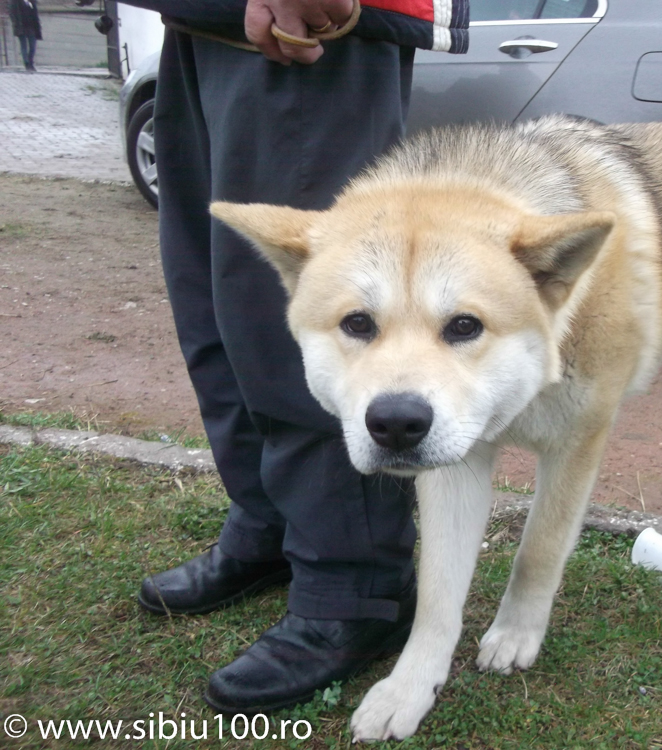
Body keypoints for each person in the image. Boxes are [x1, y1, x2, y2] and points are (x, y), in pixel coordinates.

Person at [122, 0, 468, 714]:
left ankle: (353, 581)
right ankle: (270, 522)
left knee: (319, 334)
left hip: (303, 27)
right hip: (201, 20)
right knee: (223, 306)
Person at [8, 0, 41, 72]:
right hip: (21, 27)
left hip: (32, 27)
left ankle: (30, 61)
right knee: (24, 46)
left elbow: (35, 14)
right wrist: (16, 23)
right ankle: (27, 63)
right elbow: (12, 13)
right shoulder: (15, 2)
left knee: (33, 46)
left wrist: (37, 26)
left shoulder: (32, 2)